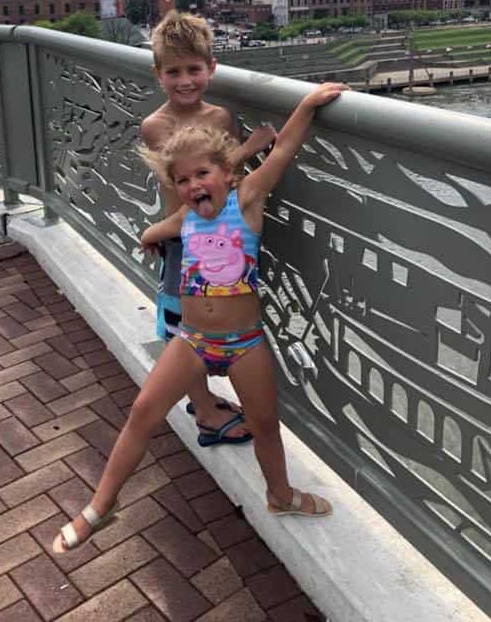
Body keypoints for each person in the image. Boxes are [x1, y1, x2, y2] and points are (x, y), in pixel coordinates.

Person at [53, 81, 347, 553]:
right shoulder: (185, 219)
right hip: (191, 340)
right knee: (142, 412)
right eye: (183, 181)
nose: (193, 186)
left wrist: (308, 104)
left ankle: (280, 494)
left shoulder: (245, 199)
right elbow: (155, 229)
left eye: (202, 174)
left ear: (227, 171)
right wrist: (149, 239)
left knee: (264, 424)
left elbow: (283, 150)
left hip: (244, 343)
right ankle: (100, 506)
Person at [141, 11, 275, 448]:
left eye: (193, 69)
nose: (185, 81)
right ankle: (204, 409)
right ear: (158, 74)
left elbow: (226, 182)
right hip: (181, 236)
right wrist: (250, 148)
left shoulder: (221, 117)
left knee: (218, 314)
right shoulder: (155, 126)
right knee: (181, 323)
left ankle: (206, 398)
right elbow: (187, 182)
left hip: (224, 237)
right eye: (173, 72)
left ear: (211, 68)